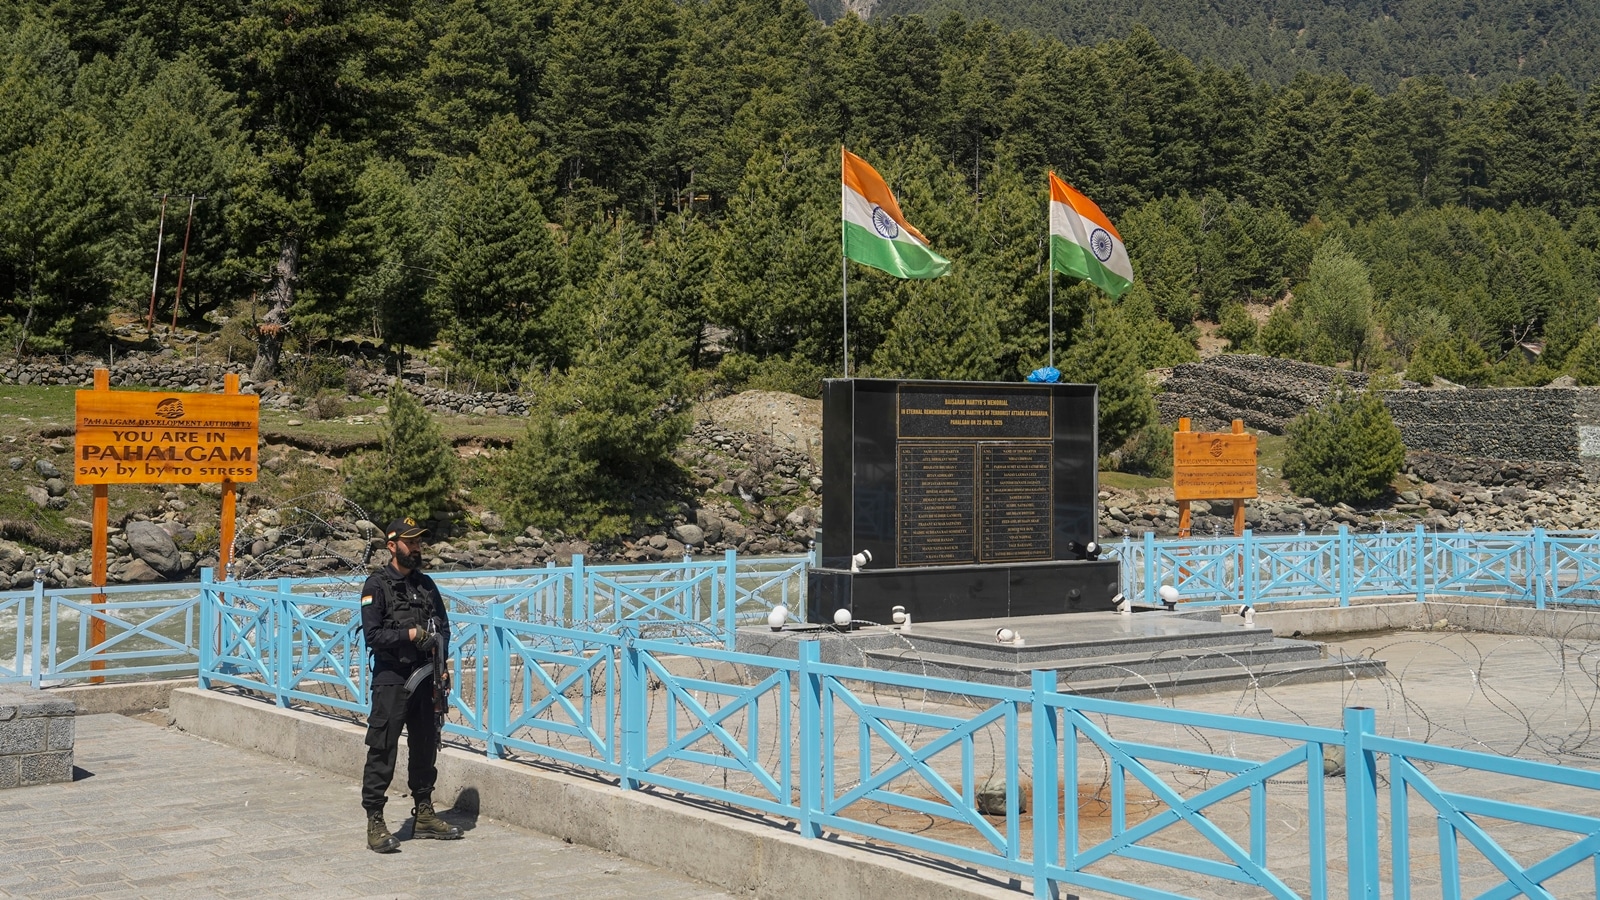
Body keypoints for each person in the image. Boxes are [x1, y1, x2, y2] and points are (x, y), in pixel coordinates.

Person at [360, 517, 463, 852]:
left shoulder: (427, 585)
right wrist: (410, 634)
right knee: (383, 749)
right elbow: (373, 636)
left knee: (425, 746)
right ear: (392, 546)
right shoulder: (376, 586)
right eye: (410, 542)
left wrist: (441, 665)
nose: (417, 548)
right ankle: (375, 820)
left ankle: (423, 813)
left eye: (419, 542)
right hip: (392, 680)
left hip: (425, 678)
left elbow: (444, 629)